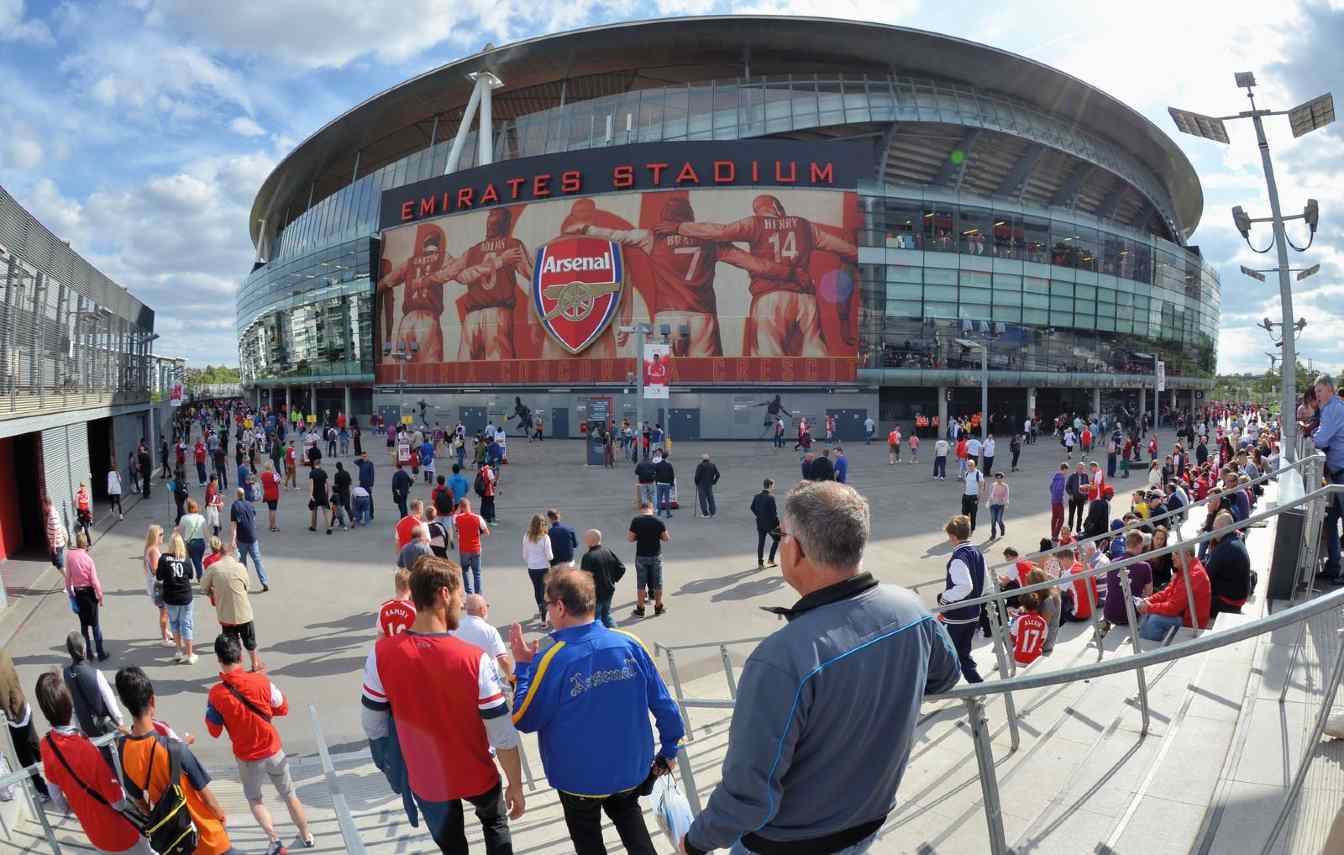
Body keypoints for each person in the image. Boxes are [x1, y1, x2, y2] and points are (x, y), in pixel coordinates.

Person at [680, 481, 959, 855]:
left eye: (781, 535)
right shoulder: (912, 609)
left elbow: (748, 797)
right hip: (866, 824)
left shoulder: (781, 659)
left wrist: (694, 843)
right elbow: (945, 676)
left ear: (794, 549)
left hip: (786, 845)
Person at [509, 569, 682, 855]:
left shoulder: (552, 659)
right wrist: (670, 748)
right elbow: (665, 705)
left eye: (547, 605)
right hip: (630, 770)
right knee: (631, 819)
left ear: (560, 607)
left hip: (578, 780)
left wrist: (523, 669)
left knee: (588, 841)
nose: (548, 612)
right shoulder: (630, 643)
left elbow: (524, 719)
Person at [361, 557, 526, 854]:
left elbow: (373, 725)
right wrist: (516, 783)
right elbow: (501, 733)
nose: (461, 604)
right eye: (460, 595)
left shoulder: (380, 654)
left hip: (427, 781)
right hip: (477, 773)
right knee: (495, 823)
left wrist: (392, 762)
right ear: (444, 594)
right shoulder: (474, 659)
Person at [206, 633, 314, 852]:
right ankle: (307, 835)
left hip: (247, 758)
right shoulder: (261, 681)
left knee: (255, 799)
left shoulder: (216, 694)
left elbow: (214, 730)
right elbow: (282, 707)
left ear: (219, 659)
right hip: (274, 751)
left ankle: (274, 840)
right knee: (290, 795)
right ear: (240, 656)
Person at [113, 667, 234, 854]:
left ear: (124, 703)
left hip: (176, 842)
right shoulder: (174, 748)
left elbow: (139, 802)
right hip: (208, 837)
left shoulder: (123, 749)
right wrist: (221, 819)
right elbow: (208, 798)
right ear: (152, 700)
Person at [35, 671, 153, 854]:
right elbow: (118, 802)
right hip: (121, 834)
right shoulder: (87, 749)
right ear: (69, 705)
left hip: (93, 833)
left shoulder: (46, 745)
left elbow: (56, 795)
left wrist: (70, 808)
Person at [202, 542, 264, 672]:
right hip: (243, 613)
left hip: (226, 614)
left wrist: (213, 593)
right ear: (231, 553)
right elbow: (247, 587)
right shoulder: (240, 567)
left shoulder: (213, 568)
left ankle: (236, 669)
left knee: (231, 643)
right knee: (250, 640)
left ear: (220, 553)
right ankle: (254, 664)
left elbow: (204, 587)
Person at [937, 514, 985, 684]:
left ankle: (941, 685)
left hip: (958, 616)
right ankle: (976, 683)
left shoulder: (958, 558)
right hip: (973, 612)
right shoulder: (977, 553)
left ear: (953, 536)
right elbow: (984, 582)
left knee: (948, 652)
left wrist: (944, 598)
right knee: (963, 652)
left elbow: (965, 586)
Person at [0, 649, 51, 801]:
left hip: (15, 716)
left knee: (25, 758)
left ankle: (43, 790)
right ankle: (54, 776)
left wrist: (7, 713)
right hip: (23, 705)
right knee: (36, 747)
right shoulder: (3, 654)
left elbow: (3, 697)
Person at [1137, 546, 1212, 641]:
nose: (1172, 558)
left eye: (1176, 554)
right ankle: (1143, 640)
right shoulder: (1185, 569)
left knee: (1155, 620)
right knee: (1150, 612)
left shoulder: (1194, 575)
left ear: (1187, 555)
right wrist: (1148, 600)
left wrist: (1149, 607)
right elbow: (1167, 592)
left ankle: (1148, 647)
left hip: (1191, 622)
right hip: (1183, 614)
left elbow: (1173, 608)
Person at [1312, 376, 1344, 584]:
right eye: (1316, 391)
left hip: (1342, 472)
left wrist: (1310, 437)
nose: (1317, 395)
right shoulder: (1329, 408)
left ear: (1331, 390)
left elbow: (1321, 439)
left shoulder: (1333, 408)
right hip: (1336, 473)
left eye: (1320, 390)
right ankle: (1333, 567)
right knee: (1330, 521)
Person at [63, 631, 123, 739]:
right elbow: (109, 699)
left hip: (86, 729)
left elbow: (73, 705)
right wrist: (120, 722)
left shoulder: (66, 674)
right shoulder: (95, 673)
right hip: (105, 727)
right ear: (84, 650)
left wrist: (79, 729)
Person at [64, 531, 109, 661]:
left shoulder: (70, 556)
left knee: (84, 626)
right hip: (89, 594)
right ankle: (100, 653)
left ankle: (88, 653)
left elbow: (68, 578)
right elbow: (94, 581)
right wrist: (100, 596)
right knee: (95, 625)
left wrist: (71, 595)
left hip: (78, 594)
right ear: (86, 544)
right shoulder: (88, 560)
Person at [1099, 530, 1153, 636]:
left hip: (1109, 613)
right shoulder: (1145, 566)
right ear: (1139, 545)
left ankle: (1105, 624)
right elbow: (1149, 593)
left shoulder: (1112, 563)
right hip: (1130, 616)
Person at [452, 594, 513, 684]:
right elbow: (503, 660)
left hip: (462, 681)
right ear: (482, 609)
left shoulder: (453, 629)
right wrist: (512, 680)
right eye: (487, 606)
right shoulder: (490, 630)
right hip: (487, 682)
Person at [157, 532, 197, 664]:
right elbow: (191, 575)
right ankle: (190, 654)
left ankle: (179, 651)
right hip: (185, 596)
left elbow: (159, 576)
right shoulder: (186, 559)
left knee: (174, 623)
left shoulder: (163, 559)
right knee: (187, 624)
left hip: (170, 597)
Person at [1206, 510, 1252, 616]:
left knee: (1191, 601)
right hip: (1239, 597)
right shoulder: (1236, 540)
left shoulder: (1224, 547)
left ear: (1222, 528)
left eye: (1214, 528)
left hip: (1228, 603)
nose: (1213, 531)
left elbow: (1207, 576)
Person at [628, 501, 669, 618]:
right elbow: (666, 538)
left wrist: (639, 536)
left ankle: (640, 608)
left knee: (641, 583)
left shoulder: (636, 521)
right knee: (658, 582)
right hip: (656, 555)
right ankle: (658, 607)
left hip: (641, 555)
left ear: (641, 509)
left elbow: (630, 539)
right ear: (652, 508)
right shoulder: (658, 521)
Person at [578, 529, 625, 628]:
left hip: (595, 594)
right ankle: (616, 633)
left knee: (596, 619)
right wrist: (612, 579)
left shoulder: (588, 557)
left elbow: (584, 579)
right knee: (606, 616)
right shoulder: (608, 551)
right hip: (609, 590)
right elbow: (621, 568)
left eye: (585, 538)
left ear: (589, 541)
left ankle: (600, 636)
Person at [231, 487, 270, 593]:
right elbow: (253, 518)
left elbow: (233, 525)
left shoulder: (235, 506)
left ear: (237, 495)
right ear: (244, 495)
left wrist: (233, 540)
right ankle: (264, 581)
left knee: (242, 562)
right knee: (257, 560)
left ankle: (245, 584)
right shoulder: (250, 504)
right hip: (252, 537)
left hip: (242, 539)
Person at [454, 497, 491, 595]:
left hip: (464, 549)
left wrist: (458, 509)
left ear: (461, 507)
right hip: (475, 548)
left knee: (465, 571)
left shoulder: (457, 518)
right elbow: (487, 532)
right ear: (469, 505)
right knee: (477, 573)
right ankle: (478, 594)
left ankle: (469, 593)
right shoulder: (477, 518)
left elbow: (454, 517)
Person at [522, 514, 554, 623]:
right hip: (544, 568)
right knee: (544, 592)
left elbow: (525, 555)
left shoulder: (526, 536)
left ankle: (540, 608)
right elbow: (550, 556)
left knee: (537, 589)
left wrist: (531, 561)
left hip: (532, 568)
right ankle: (544, 620)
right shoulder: (545, 538)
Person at [1010, 592, 1049, 666]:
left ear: (1024, 607)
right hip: (1034, 660)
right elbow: (1042, 641)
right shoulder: (1043, 622)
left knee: (1005, 634)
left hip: (1018, 659)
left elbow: (1013, 637)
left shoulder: (1020, 619)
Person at [750, 478, 781, 569]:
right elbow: (774, 514)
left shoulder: (757, 496)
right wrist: (777, 524)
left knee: (761, 543)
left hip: (760, 523)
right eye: (773, 486)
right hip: (770, 524)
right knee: (777, 539)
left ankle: (760, 563)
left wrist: (759, 515)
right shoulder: (771, 498)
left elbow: (752, 507)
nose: (773, 488)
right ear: (770, 485)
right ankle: (771, 559)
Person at [378, 568, 418, 637]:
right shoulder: (413, 609)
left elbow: (380, 635)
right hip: (406, 643)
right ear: (410, 588)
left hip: (390, 643)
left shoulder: (383, 607)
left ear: (396, 586)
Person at [44, 493, 67, 571]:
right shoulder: (53, 511)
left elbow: (55, 529)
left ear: (47, 504)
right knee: (56, 563)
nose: (44, 508)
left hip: (57, 544)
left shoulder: (52, 514)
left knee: (60, 565)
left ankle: (69, 578)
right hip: (57, 543)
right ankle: (68, 576)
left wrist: (53, 545)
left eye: (44, 505)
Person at [960, 459, 983, 533]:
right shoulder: (966, 473)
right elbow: (965, 483)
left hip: (974, 496)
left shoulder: (978, 474)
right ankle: (965, 528)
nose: (969, 467)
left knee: (973, 514)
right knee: (964, 513)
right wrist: (964, 492)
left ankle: (972, 528)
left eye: (971, 465)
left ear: (974, 466)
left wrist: (978, 496)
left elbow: (981, 485)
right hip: (966, 496)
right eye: (968, 465)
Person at [693, 453, 720, 518]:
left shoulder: (700, 466)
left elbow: (697, 476)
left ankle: (705, 514)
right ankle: (713, 512)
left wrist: (696, 482)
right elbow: (718, 475)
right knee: (710, 498)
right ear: (708, 459)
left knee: (702, 500)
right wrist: (714, 482)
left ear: (702, 459)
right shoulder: (712, 465)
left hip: (701, 485)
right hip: (709, 484)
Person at [985, 471, 1010, 539]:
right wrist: (988, 502)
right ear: (995, 479)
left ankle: (1002, 528)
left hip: (1000, 505)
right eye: (997, 478)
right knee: (993, 520)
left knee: (999, 520)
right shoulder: (992, 485)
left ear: (1002, 478)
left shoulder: (1005, 486)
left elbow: (1006, 495)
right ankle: (993, 535)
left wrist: (1005, 502)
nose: (999, 479)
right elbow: (990, 494)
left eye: (1000, 478)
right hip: (993, 505)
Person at [1066, 462, 1088, 534]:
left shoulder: (1085, 476)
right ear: (1076, 468)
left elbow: (1087, 487)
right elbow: (1067, 487)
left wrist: (1086, 498)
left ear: (1083, 469)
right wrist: (1070, 494)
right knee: (1071, 515)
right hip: (1073, 498)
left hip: (1081, 498)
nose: (1080, 470)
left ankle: (1078, 530)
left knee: (1080, 515)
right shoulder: (1072, 476)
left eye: (1082, 468)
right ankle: (1069, 530)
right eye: (1079, 468)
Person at [653, 452, 675, 519]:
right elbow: (672, 475)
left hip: (659, 484)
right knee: (667, 499)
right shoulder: (669, 465)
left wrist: (656, 481)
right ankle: (668, 514)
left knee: (659, 499)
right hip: (667, 484)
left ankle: (659, 513)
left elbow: (654, 474)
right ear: (667, 457)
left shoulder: (657, 465)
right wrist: (672, 484)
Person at [356, 451, 376, 521]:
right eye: (363, 456)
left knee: (369, 499)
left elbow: (372, 474)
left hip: (368, 484)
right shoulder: (361, 463)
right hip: (361, 483)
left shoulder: (370, 464)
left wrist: (371, 485)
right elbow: (355, 462)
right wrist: (361, 459)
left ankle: (371, 514)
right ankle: (361, 514)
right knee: (361, 498)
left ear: (367, 456)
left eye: (365, 456)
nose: (364, 458)